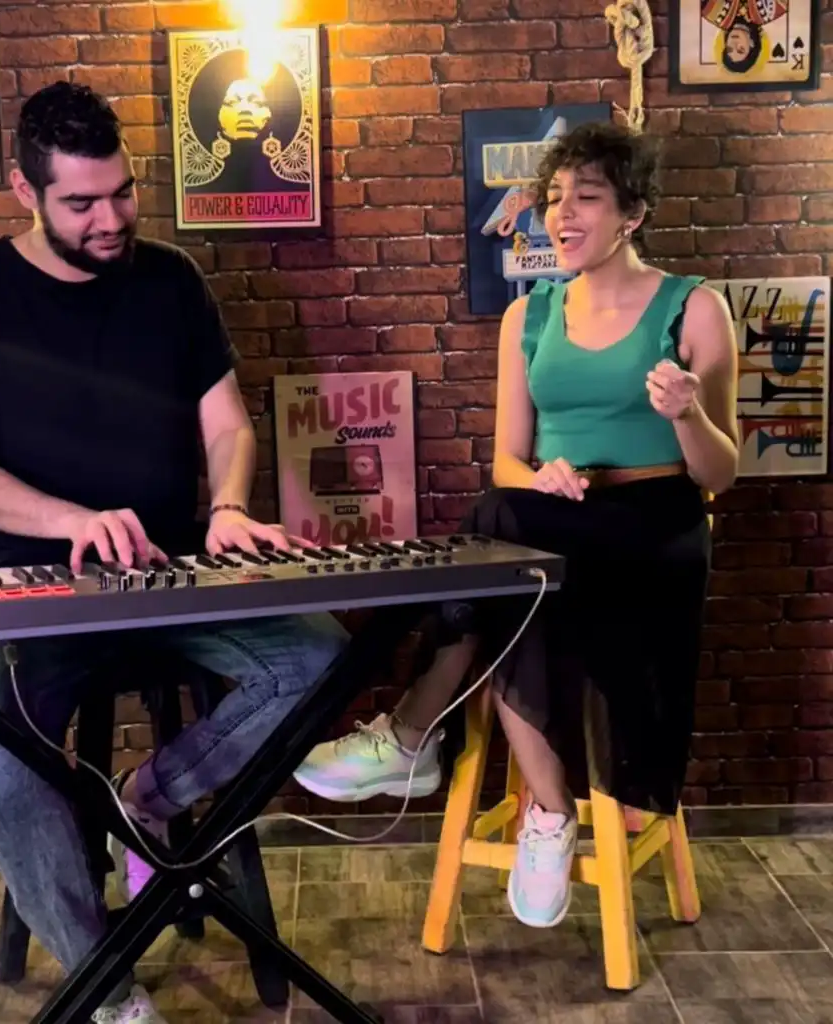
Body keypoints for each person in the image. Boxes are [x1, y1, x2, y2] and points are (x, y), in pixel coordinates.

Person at [0, 81, 348, 1024]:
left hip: (173, 569)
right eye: (80, 203)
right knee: (0, 754)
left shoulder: (171, 280)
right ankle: (104, 982)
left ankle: (147, 801)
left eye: (122, 193)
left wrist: (229, 505)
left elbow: (228, 425)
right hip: (24, 584)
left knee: (319, 655)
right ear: (25, 191)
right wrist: (72, 521)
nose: (109, 220)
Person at [294, 121, 739, 930]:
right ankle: (549, 812)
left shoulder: (694, 308)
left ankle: (413, 737)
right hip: (556, 520)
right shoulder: (528, 317)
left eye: (586, 198)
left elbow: (719, 474)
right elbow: (506, 459)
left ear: (633, 213)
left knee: (499, 541)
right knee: (511, 559)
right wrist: (542, 478)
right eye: (553, 198)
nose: (561, 215)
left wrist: (686, 415)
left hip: (653, 533)